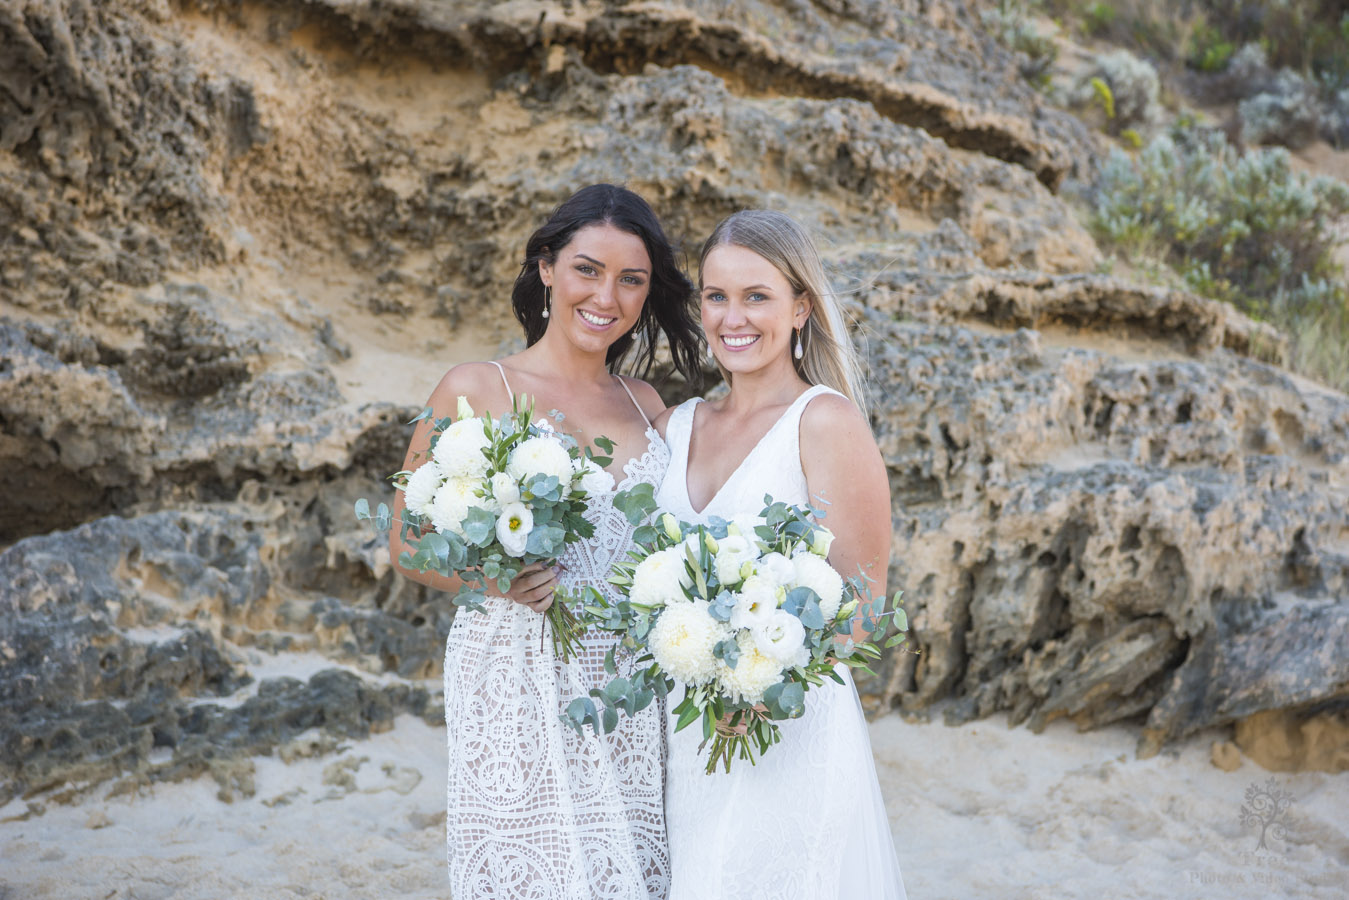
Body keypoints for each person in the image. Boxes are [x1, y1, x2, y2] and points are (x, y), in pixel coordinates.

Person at [389, 184, 702, 900]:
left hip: (628, 683)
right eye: (587, 269)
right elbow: (405, 544)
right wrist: (494, 579)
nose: (607, 297)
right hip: (517, 672)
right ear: (546, 269)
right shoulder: (475, 387)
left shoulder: (646, 403)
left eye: (632, 280)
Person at [652, 209, 907, 899]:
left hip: (786, 737)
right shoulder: (677, 426)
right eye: (716, 296)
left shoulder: (824, 421)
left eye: (756, 296)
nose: (733, 317)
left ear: (800, 308)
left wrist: (760, 690)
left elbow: (864, 603)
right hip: (684, 733)